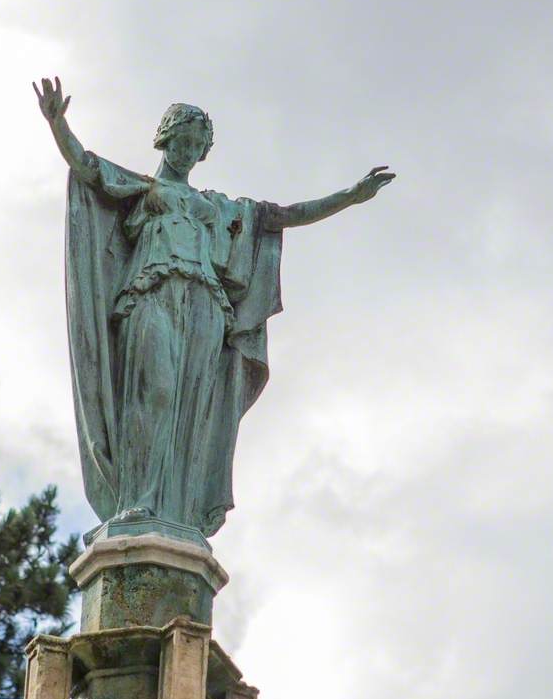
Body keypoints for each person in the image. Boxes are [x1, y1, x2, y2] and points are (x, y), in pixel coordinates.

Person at [34, 76, 394, 538]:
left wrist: (351, 196)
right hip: (151, 293)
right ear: (165, 139)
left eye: (196, 145)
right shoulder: (141, 189)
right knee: (155, 394)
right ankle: (136, 503)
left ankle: (177, 512)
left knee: (193, 409)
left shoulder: (220, 208)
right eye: (181, 141)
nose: (187, 151)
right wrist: (58, 124)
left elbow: (285, 215)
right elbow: (86, 167)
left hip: (206, 302)